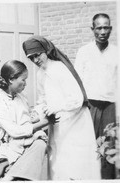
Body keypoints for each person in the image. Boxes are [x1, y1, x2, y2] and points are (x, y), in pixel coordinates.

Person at [23, 35, 101, 180]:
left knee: (75, 162)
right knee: (58, 162)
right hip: (58, 124)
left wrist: (57, 107)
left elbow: (77, 98)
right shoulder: (40, 74)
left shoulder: (59, 68)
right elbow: (42, 99)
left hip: (76, 122)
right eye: (31, 58)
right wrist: (37, 112)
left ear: (45, 50)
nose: (35, 60)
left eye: (37, 55)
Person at [0, 60, 50, 181]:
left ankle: (10, 176)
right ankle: (8, 169)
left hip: (26, 142)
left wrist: (36, 117)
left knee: (41, 143)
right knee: (39, 146)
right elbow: (14, 132)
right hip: (8, 146)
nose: (25, 84)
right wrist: (42, 123)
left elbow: (27, 119)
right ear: (11, 79)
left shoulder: (22, 97)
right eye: (23, 80)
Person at [74, 13, 118, 179]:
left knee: (109, 144)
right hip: (90, 104)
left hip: (111, 105)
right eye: (98, 27)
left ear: (111, 29)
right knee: (88, 143)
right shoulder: (84, 51)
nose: (102, 31)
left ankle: (107, 178)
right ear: (92, 29)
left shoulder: (116, 52)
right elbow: (77, 80)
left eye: (106, 27)